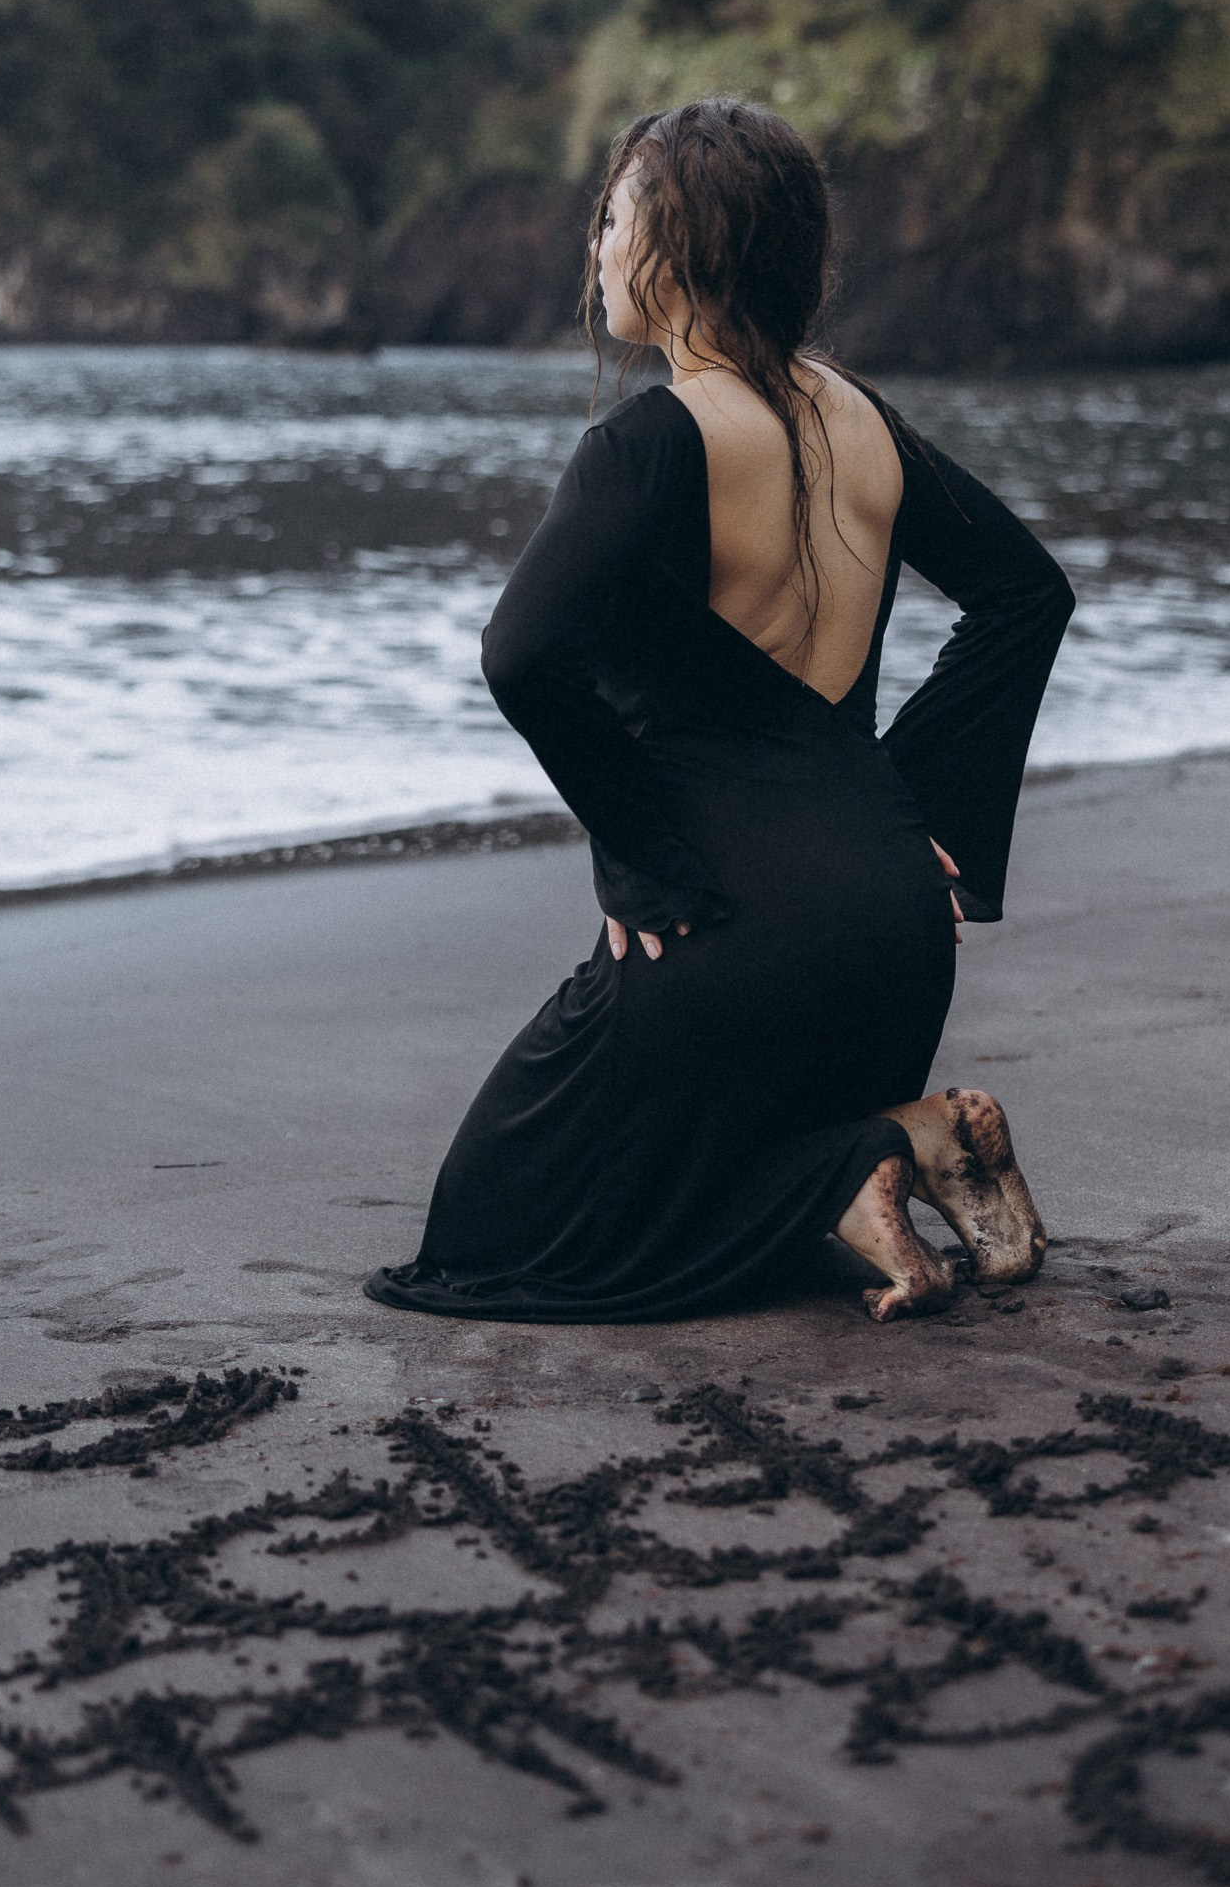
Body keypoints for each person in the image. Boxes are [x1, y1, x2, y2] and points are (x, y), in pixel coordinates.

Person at [365, 98, 1075, 1326]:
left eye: (615, 217)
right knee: (690, 1158)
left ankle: (868, 1155)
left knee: (486, 1226)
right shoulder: (863, 422)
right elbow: (1027, 596)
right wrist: (920, 815)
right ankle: (868, 1154)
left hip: (728, 939)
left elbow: (518, 651)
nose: (595, 247)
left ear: (681, 249)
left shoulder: (646, 444)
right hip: (895, 942)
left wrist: (639, 863)